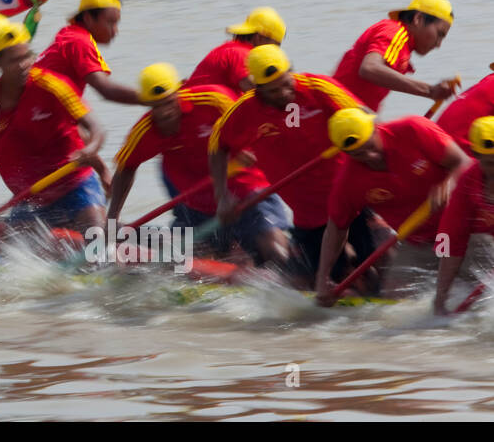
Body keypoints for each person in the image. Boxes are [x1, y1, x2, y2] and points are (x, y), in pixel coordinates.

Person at [208, 45, 366, 287]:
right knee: (317, 280)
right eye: (274, 90)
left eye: (286, 83)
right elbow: (217, 147)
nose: (285, 92)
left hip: (349, 195)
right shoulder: (244, 110)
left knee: (373, 263)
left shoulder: (318, 88)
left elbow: (367, 118)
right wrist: (222, 196)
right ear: (257, 89)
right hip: (308, 212)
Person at [109, 64, 290, 266]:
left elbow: (254, 121)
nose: (164, 113)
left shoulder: (213, 100)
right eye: (156, 106)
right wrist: (112, 217)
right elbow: (125, 168)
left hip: (246, 191)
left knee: (274, 252)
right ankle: (122, 233)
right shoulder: (145, 131)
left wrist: (248, 147)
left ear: (180, 91)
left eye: (168, 103)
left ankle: (297, 277)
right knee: (186, 260)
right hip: (198, 204)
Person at [0, 22, 107, 236]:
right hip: (30, 199)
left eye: (27, 56)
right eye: (15, 60)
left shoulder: (52, 86)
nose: (24, 65)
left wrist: (90, 151)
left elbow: (95, 128)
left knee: (97, 240)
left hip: (75, 186)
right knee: (1, 250)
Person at [315, 108, 468, 305]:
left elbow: (463, 163)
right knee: (395, 306)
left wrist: (448, 186)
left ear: (375, 129)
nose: (370, 157)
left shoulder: (413, 129)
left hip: (464, 228)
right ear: (344, 152)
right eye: (358, 154)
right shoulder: (348, 182)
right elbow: (336, 228)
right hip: (418, 241)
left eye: (370, 146)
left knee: (475, 291)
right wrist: (322, 278)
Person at [332, 0, 457, 113]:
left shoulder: (403, 46)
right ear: (418, 19)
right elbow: (369, 68)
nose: (438, 44)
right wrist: (429, 90)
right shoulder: (395, 31)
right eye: (439, 34)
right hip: (336, 108)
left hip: (347, 112)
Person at [37, 0, 142, 104]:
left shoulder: (68, 33)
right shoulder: (79, 41)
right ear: (88, 18)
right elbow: (107, 90)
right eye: (110, 22)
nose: (115, 31)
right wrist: (155, 98)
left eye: (116, 23)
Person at [434, 117, 494, 313]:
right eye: (489, 164)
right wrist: (440, 298)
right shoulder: (469, 180)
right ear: (476, 157)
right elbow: (450, 239)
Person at [186, 7, 287, 92]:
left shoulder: (232, 49)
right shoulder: (242, 54)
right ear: (259, 37)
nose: (275, 53)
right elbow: (255, 92)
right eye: (275, 46)